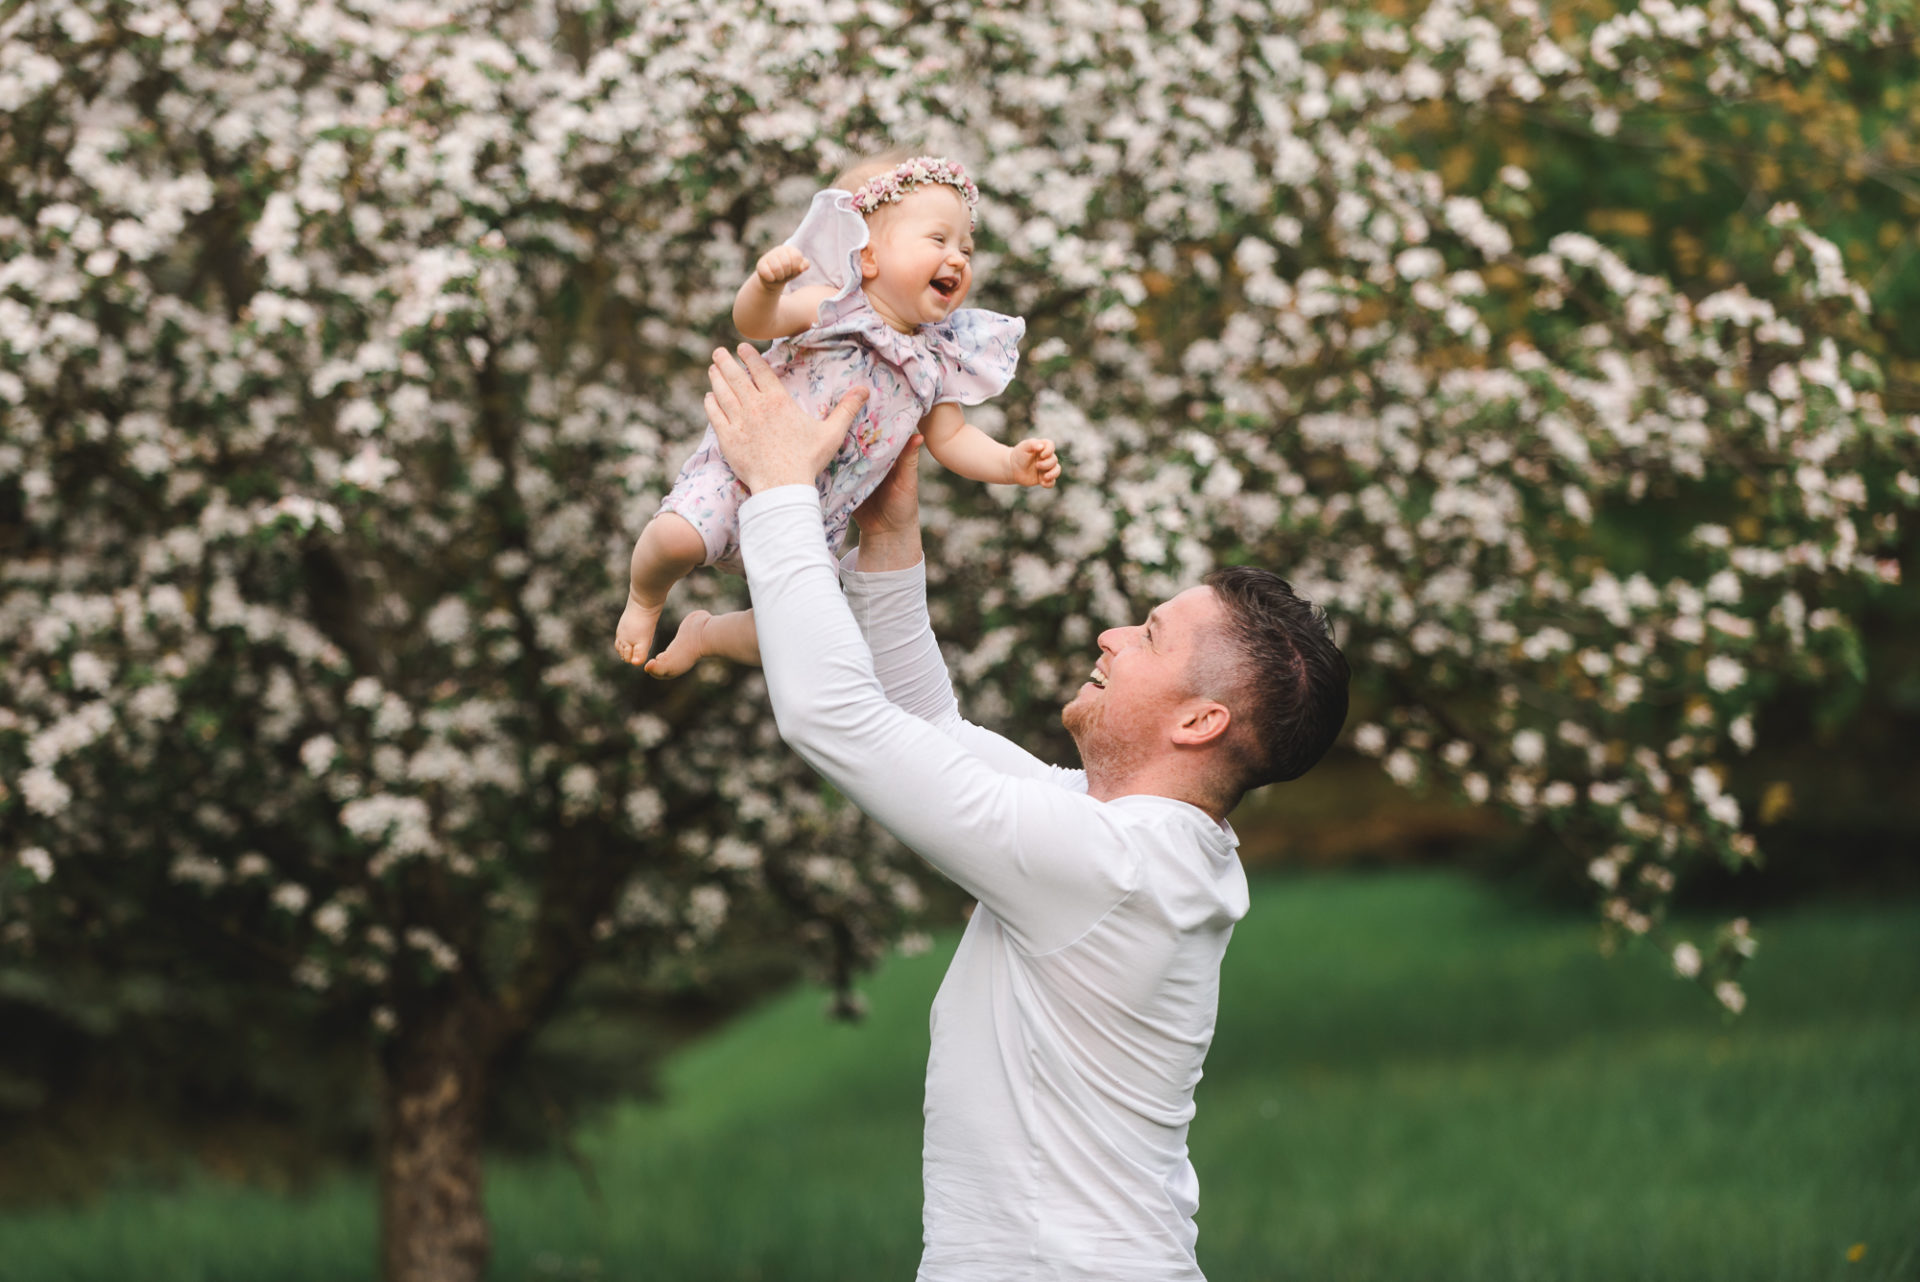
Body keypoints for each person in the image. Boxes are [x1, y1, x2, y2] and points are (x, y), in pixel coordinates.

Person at [698, 344, 1351, 1282]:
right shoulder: (1128, 843)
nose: (1112, 636)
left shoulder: (1106, 866)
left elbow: (834, 718)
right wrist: (889, 537)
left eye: (1151, 634)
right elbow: (920, 724)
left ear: (1201, 719)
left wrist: (777, 490)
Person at [615, 153, 1060, 677]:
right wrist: (766, 285)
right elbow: (756, 322)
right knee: (674, 539)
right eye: (938, 241)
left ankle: (706, 633)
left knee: (799, 636)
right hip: (738, 475)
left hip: (814, 517)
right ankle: (645, 599)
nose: (959, 258)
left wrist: (1010, 463)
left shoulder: (938, 358)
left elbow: (952, 438)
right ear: (867, 256)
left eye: (966, 246)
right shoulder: (835, 305)